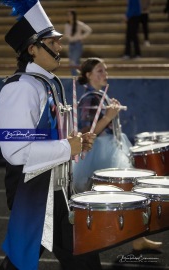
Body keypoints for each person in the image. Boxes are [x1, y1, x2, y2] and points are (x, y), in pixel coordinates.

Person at [0, 1, 101, 270]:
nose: (59, 47)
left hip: (55, 187)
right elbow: (14, 151)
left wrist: (74, 140)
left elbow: (48, 134)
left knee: (70, 254)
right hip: (33, 189)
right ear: (32, 48)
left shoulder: (47, 83)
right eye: (52, 42)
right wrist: (68, 147)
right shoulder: (20, 89)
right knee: (27, 256)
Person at [72, 57, 162, 251]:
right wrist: (108, 117)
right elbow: (88, 132)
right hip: (98, 153)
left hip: (109, 150)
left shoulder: (100, 95)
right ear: (88, 75)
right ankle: (83, 240)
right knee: (91, 196)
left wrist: (111, 115)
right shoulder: (89, 98)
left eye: (105, 70)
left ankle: (135, 239)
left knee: (127, 194)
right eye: (100, 71)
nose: (105, 74)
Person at [64, 9, 92, 76]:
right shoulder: (67, 25)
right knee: (73, 62)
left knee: (73, 62)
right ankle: (78, 76)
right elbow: (67, 34)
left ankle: (76, 77)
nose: (69, 16)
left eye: (70, 15)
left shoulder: (79, 24)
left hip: (77, 44)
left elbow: (89, 30)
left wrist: (81, 37)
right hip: (71, 44)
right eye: (68, 15)